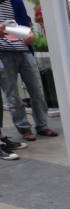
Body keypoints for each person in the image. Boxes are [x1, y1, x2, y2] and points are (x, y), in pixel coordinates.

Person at [0, 0, 58, 141]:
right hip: (3, 53)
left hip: (24, 50)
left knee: (37, 90)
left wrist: (30, 33)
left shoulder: (15, 1)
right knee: (13, 95)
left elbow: (24, 22)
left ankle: (42, 125)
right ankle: (24, 128)